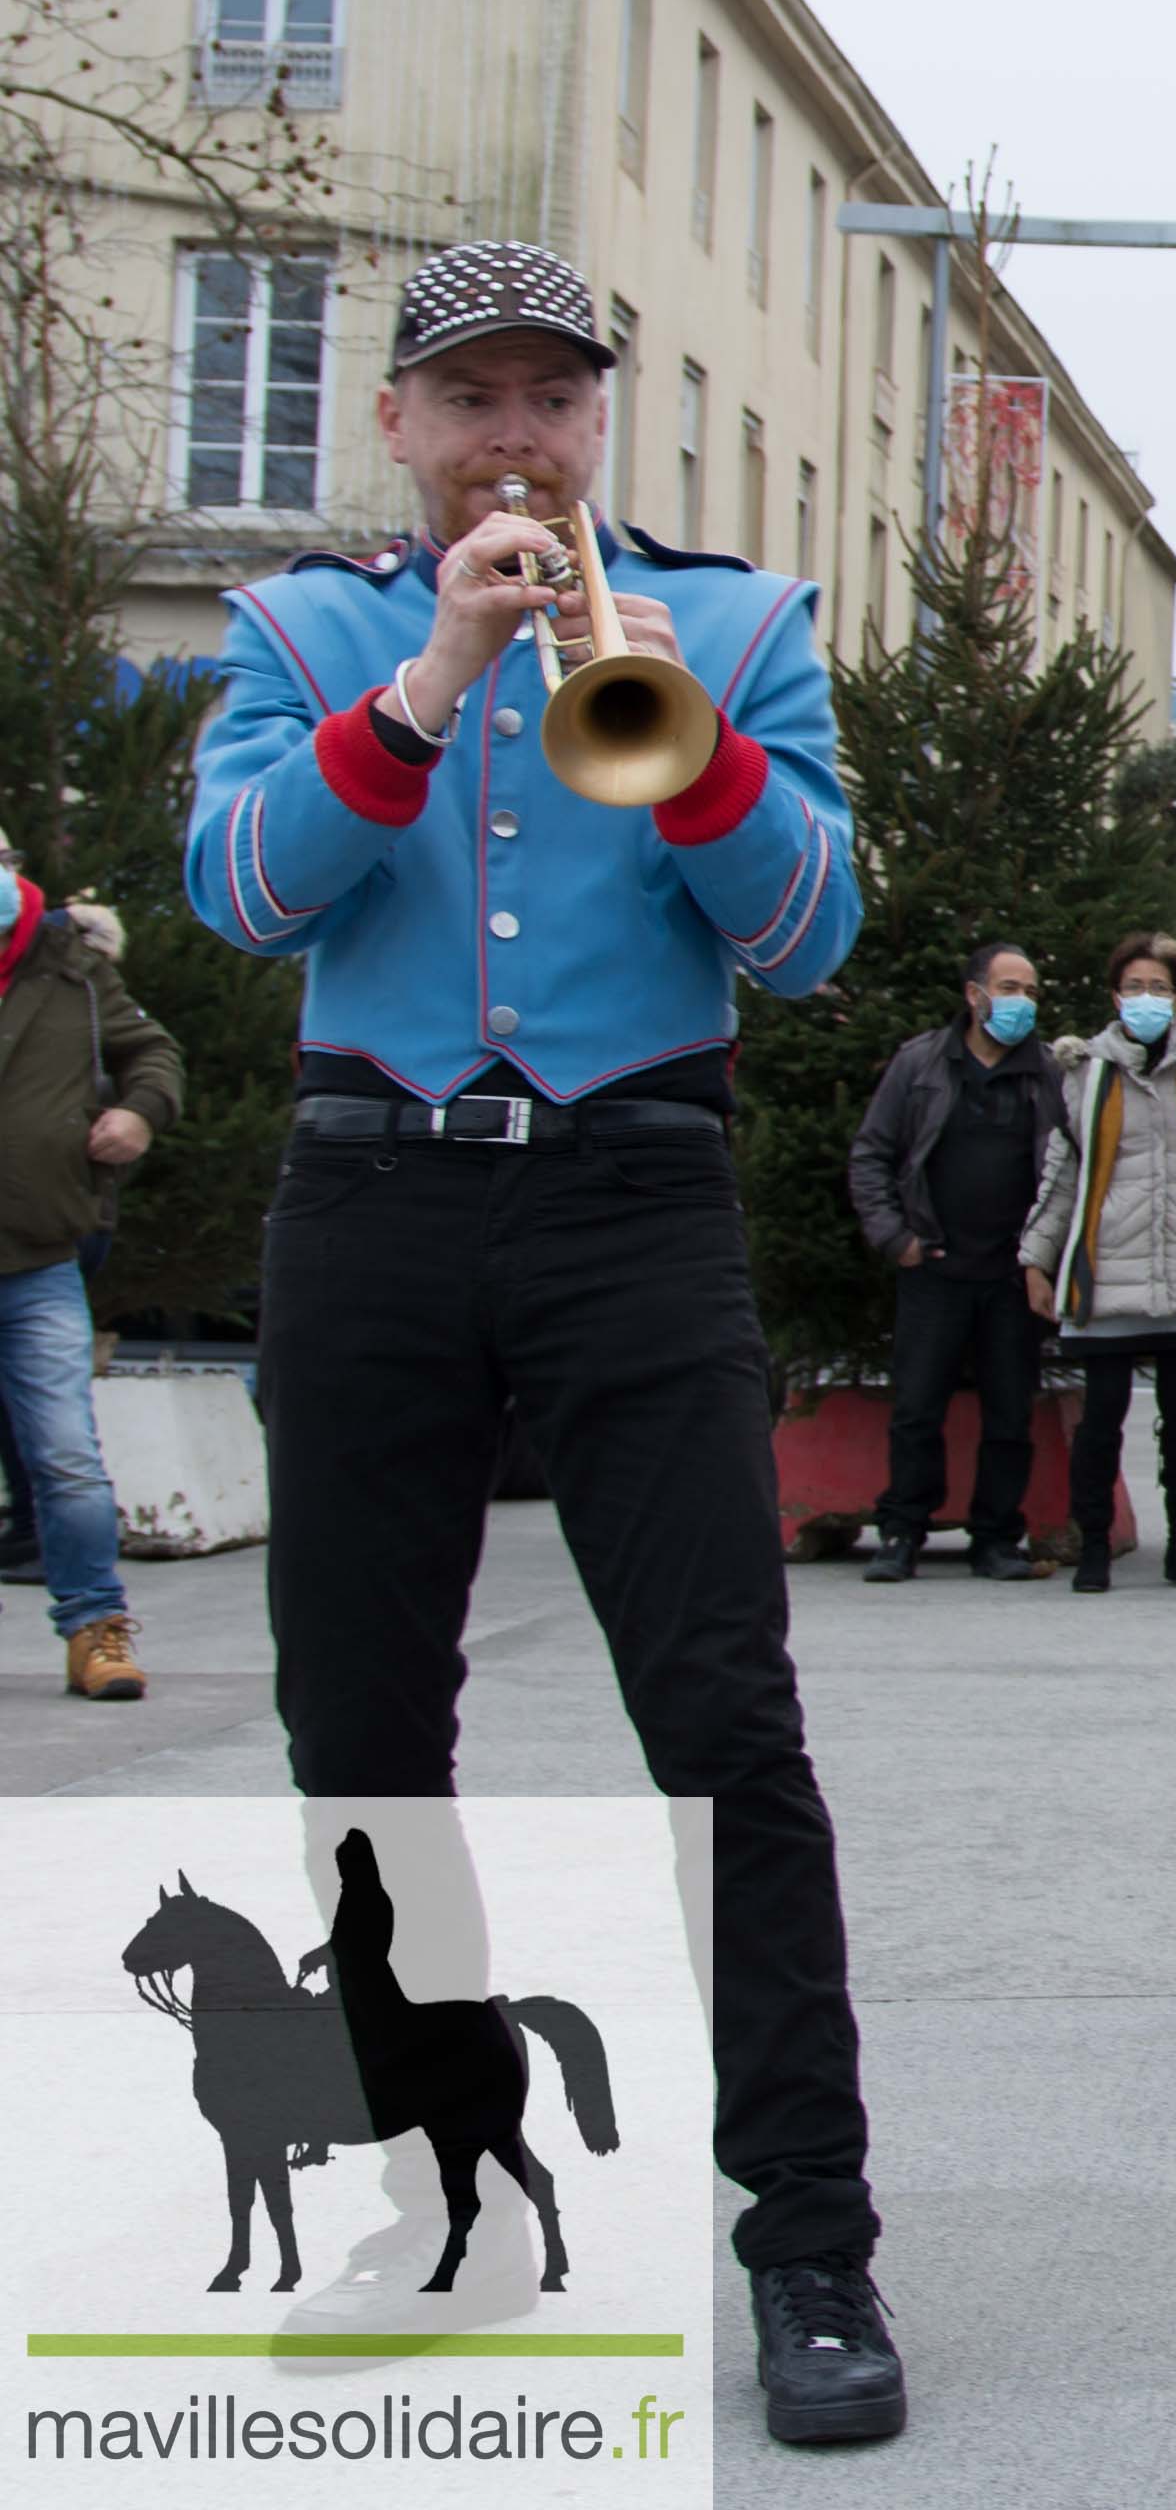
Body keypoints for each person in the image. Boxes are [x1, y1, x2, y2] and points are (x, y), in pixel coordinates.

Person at [183, 238, 904, 2441]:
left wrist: (674, 734)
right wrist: (414, 693)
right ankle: (449, 2217)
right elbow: (238, 893)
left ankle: (810, 2245)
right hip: (373, 1195)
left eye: (553, 402)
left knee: (722, 1719)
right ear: (398, 425)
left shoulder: (739, 629)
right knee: (365, 1731)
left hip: (629, 1196)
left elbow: (806, 929)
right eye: (472, 398)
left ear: (604, 426)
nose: (516, 437)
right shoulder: (301, 629)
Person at [0, 827, 176, 1700]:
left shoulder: (69, 962)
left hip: (35, 1258)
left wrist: (140, 1115)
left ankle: (96, 1629)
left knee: (66, 1456)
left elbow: (154, 1054)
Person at [1021, 932, 1176, 1593]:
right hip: (1107, 1267)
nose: (1147, 998)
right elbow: (1063, 1173)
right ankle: (1092, 1545)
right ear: (1115, 994)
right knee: (1101, 1418)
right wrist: (1037, 1257)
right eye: (1135, 986)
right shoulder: (1084, 1071)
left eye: (1161, 987)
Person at [846, 941, 1067, 1581]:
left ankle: (996, 1538)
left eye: (1029, 990)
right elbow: (871, 1156)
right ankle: (901, 1532)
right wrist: (897, 1239)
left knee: (1009, 1411)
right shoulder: (921, 1064)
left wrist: (1043, 1259)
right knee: (916, 1407)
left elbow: (1069, 1170)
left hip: (1011, 1276)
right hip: (934, 1269)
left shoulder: (1048, 1073)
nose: (1021, 1002)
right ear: (974, 995)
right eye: (1009, 988)